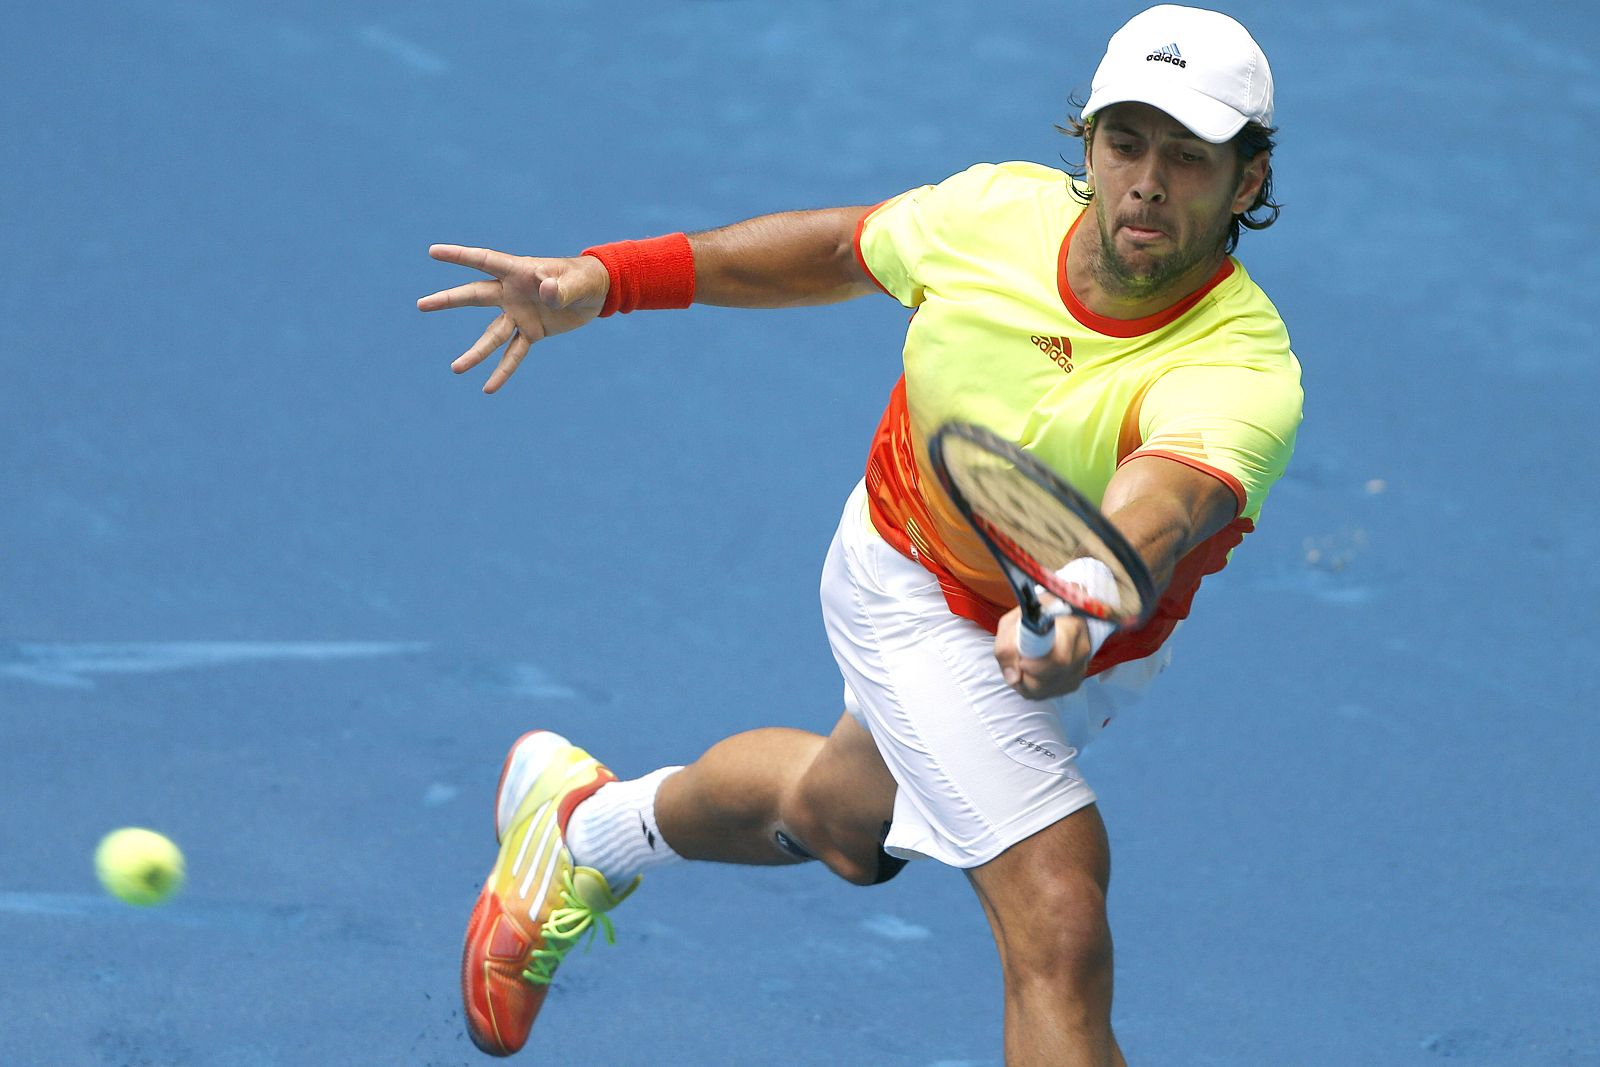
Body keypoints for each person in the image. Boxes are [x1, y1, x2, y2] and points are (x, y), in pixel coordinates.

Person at [419, 6, 1302, 1064]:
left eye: (1189, 156)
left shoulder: (1242, 369)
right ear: (1087, 145)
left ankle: (581, 827)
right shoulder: (992, 217)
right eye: (1124, 143)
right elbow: (841, 246)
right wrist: (608, 280)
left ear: (1246, 181)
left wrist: (1081, 595)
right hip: (912, 579)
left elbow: (1160, 507)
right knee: (1057, 915)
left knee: (841, 821)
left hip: (1077, 631)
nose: (1148, 181)